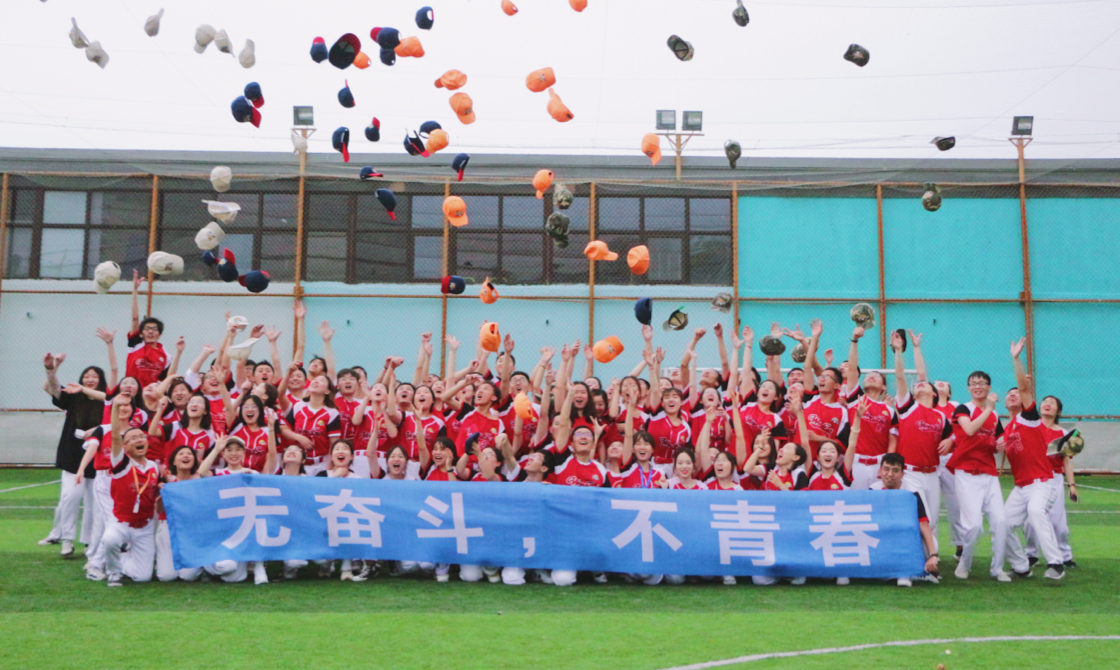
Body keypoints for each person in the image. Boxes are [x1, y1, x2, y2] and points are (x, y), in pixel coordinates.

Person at [1002, 338, 1066, 580]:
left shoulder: (1029, 419)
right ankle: (1021, 566)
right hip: (1021, 487)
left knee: (1036, 511)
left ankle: (1056, 563)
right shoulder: (1007, 429)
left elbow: (1024, 388)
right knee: (1003, 524)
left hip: (1041, 482)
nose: (1013, 396)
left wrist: (1016, 359)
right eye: (1009, 394)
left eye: (1016, 394)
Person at [890, 330, 952, 553]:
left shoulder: (941, 418)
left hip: (932, 474)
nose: (920, 384)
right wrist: (899, 350)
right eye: (918, 385)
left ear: (934, 394)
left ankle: (928, 559)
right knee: (919, 518)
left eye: (925, 384)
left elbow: (952, 437)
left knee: (932, 521)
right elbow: (900, 377)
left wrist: (952, 441)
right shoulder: (908, 408)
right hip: (911, 473)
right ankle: (914, 558)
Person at [39, 352, 104, 558]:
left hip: (98, 457)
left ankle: (89, 541)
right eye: (86, 376)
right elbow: (52, 388)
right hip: (72, 455)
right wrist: (52, 368)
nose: (90, 379)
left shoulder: (106, 400)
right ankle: (67, 539)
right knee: (70, 497)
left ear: (101, 380)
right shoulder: (74, 397)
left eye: (94, 376)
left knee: (94, 503)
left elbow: (110, 403)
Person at [947, 371, 1010, 582]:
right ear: (968, 388)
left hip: (989, 473)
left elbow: (999, 439)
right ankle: (964, 563)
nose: (977, 386)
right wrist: (989, 408)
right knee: (973, 525)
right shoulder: (963, 409)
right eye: (973, 383)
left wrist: (1000, 444)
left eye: (982, 383)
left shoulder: (994, 416)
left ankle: (997, 568)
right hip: (966, 473)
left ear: (989, 387)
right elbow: (970, 429)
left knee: (1000, 521)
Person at [99, 394, 159, 587]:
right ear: (125, 447)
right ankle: (113, 572)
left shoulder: (154, 467)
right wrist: (115, 408)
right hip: (122, 523)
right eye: (133, 438)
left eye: (142, 437)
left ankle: (124, 558)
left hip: (145, 526)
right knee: (109, 539)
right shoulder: (122, 464)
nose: (139, 440)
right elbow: (115, 436)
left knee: (143, 578)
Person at [872, 453, 941, 587]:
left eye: (895, 470)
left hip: (907, 537)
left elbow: (923, 523)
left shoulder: (912, 492)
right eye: (886, 469)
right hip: (883, 538)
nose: (890, 474)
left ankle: (908, 571)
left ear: (902, 474)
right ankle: (911, 572)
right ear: (880, 471)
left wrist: (933, 554)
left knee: (933, 544)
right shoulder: (873, 489)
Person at [1025, 394, 1077, 569]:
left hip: (1054, 479)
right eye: (1045, 402)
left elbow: (1066, 461)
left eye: (1052, 403)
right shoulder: (1031, 427)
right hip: (1033, 477)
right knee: (1030, 521)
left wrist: (1072, 486)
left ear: (1058, 411)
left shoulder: (1062, 434)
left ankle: (1065, 555)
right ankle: (1031, 554)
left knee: (1057, 521)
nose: (1047, 404)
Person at [843, 326, 897, 489]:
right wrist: (854, 340)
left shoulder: (889, 411)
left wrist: (886, 466)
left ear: (884, 387)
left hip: (879, 465)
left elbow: (892, 441)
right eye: (868, 376)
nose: (871, 376)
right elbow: (852, 368)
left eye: (876, 376)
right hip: (856, 463)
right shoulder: (855, 399)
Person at [125, 271, 172, 388]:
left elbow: (166, 380)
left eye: (154, 329)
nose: (150, 331)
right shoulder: (136, 345)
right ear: (141, 333)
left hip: (150, 395)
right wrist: (135, 290)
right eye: (147, 328)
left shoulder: (166, 356)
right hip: (132, 393)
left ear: (159, 334)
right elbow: (135, 317)